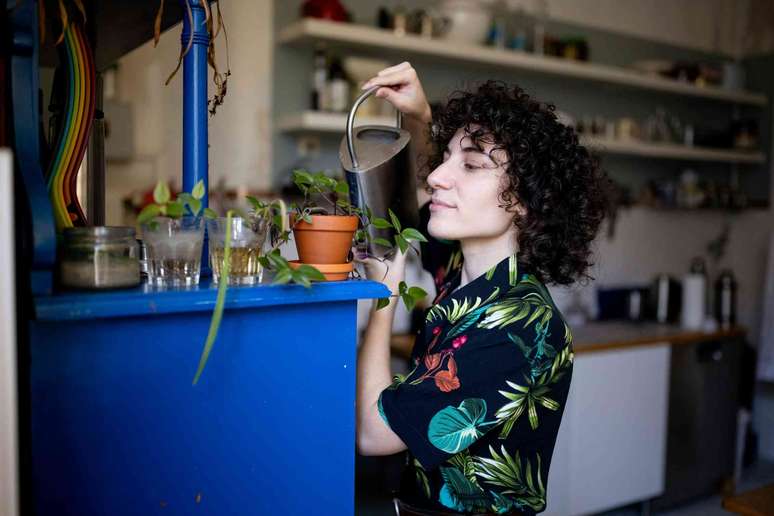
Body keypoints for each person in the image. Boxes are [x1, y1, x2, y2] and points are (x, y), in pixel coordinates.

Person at [354, 62, 611, 516]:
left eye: (471, 164)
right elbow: (418, 210)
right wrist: (419, 115)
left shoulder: (518, 328)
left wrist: (382, 301)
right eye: (446, 159)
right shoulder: (465, 273)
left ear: (524, 202)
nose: (437, 176)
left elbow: (376, 434)